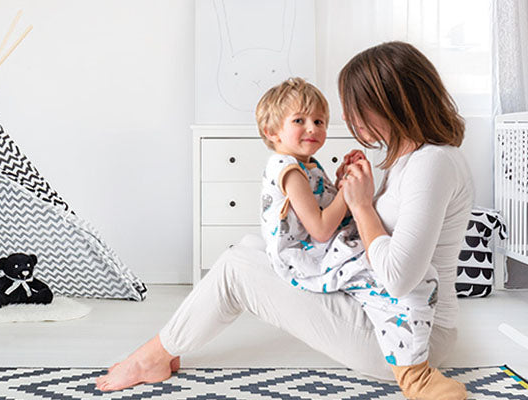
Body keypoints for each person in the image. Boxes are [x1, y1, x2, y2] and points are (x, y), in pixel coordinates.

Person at [97, 41, 473, 400]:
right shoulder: (412, 159)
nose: (347, 118)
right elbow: (377, 238)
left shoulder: (432, 164)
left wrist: (360, 206)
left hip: (407, 339)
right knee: (248, 249)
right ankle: (173, 343)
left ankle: (152, 357)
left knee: (236, 269)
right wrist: (354, 196)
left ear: (390, 104)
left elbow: (400, 275)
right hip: (388, 315)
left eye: (356, 108)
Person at [254, 77, 460, 398]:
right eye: (299, 120)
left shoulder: (303, 164)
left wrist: (342, 182)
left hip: (320, 247)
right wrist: (349, 196)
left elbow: (325, 209)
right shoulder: (289, 171)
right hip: (305, 257)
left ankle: (414, 355)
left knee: (408, 275)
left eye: (319, 121)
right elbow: (321, 230)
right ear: (272, 131)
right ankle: (414, 375)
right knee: (383, 284)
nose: (313, 128)